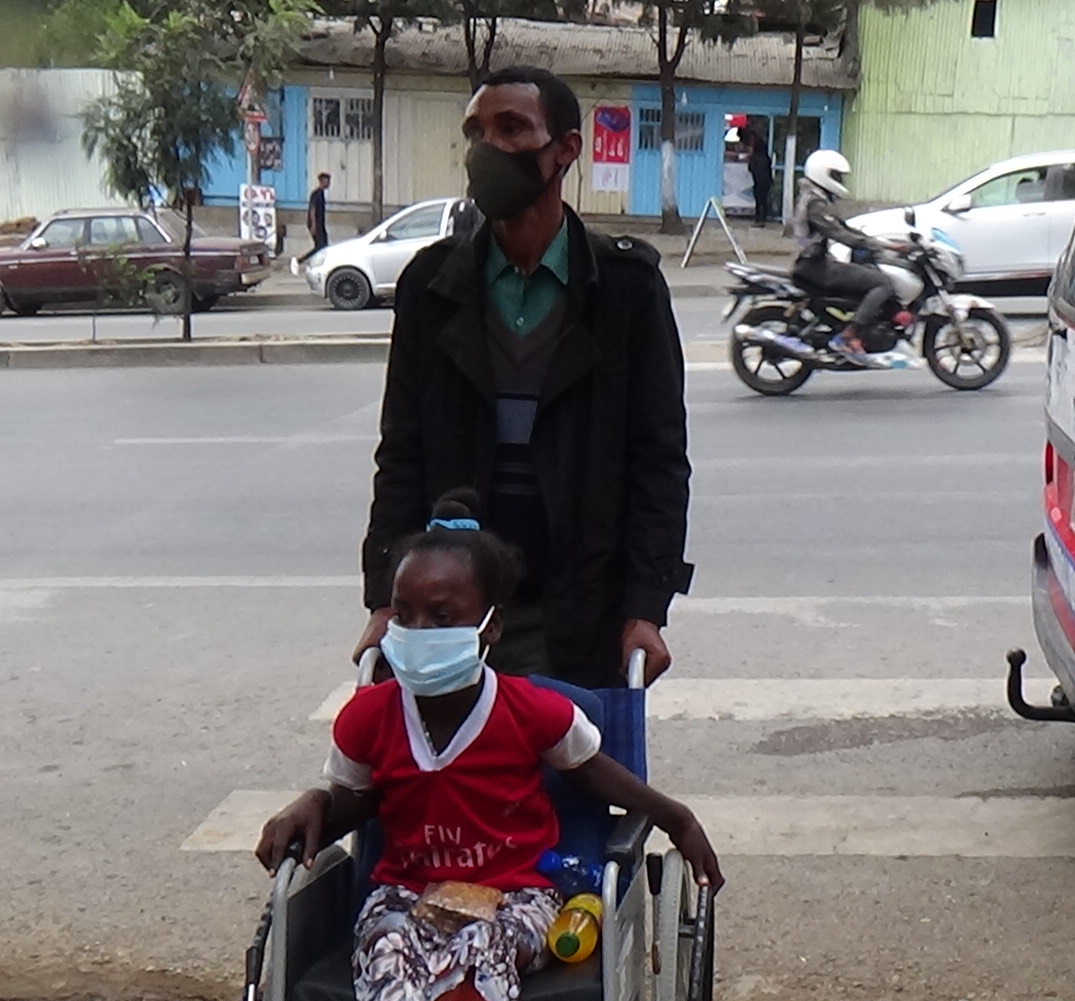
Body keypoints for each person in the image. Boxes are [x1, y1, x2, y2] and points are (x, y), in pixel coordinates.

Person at [257, 494, 721, 1001]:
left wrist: (676, 817)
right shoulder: (368, 719)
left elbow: (595, 771)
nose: (419, 632)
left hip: (514, 896)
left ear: (490, 626)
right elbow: (354, 802)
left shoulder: (531, 711)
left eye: (442, 617)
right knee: (388, 968)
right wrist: (313, 803)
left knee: (478, 962)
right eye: (404, 614)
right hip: (407, 895)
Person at [353, 66, 693, 690]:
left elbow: (658, 462)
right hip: (451, 612)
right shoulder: (432, 286)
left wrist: (646, 608)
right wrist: (384, 598)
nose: (487, 148)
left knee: (571, 753)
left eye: (511, 128)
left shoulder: (626, 290)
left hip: (582, 608)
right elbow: (402, 453)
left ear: (565, 149)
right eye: (475, 132)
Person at [791, 149, 899, 359]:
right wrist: (874, 246)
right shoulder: (815, 203)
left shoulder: (815, 197)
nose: (839, 181)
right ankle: (850, 333)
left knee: (866, 272)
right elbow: (839, 234)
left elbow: (844, 228)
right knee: (882, 283)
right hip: (816, 266)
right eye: (836, 175)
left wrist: (883, 243)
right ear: (823, 173)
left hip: (815, 263)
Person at [292, 172, 332, 272]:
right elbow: (312, 210)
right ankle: (299, 260)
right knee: (320, 246)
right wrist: (313, 225)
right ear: (322, 181)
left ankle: (320, 264)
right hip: (316, 224)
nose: (329, 183)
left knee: (324, 246)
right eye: (327, 181)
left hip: (320, 224)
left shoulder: (321, 193)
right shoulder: (316, 194)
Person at [747, 127, 774, 227]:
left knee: (759, 201)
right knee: (764, 200)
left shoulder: (756, 158)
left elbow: (751, 169)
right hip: (766, 181)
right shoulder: (765, 157)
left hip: (759, 181)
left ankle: (759, 219)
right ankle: (763, 218)